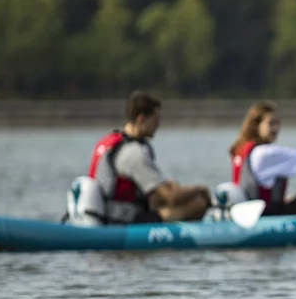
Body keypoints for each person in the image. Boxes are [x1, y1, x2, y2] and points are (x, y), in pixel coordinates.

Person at [89, 90, 212, 223]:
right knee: (198, 204)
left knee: (165, 192)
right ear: (141, 120)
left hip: (108, 212)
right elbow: (172, 198)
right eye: (156, 119)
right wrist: (201, 189)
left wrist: (169, 185)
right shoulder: (134, 153)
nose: (158, 124)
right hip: (124, 220)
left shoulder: (110, 142)